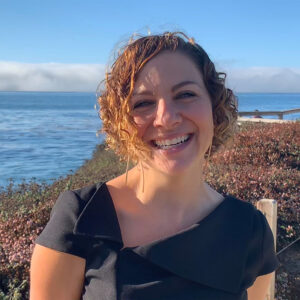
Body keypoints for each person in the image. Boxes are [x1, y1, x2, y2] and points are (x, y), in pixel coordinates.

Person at [30, 32, 279, 300]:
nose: (166, 118)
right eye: (143, 103)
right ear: (121, 122)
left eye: (185, 94)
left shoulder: (250, 229)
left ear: (214, 108)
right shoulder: (81, 217)